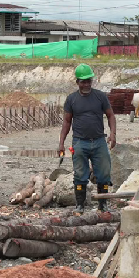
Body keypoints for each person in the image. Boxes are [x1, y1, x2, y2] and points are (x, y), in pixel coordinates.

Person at [58, 64, 117, 212]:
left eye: (88, 81)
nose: (86, 84)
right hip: (79, 142)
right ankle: (80, 205)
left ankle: (102, 205)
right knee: (79, 174)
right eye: (83, 81)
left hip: (99, 142)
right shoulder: (71, 99)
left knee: (104, 174)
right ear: (77, 82)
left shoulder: (100, 96)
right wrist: (61, 143)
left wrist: (113, 134)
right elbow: (66, 122)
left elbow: (111, 115)